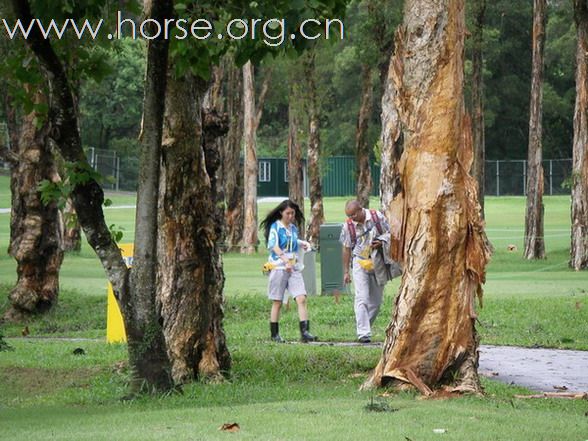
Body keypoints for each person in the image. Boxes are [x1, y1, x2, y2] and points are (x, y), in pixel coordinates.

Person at [260, 199, 318, 343]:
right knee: (278, 301)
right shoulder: (276, 227)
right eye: (288, 213)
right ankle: (275, 334)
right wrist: (285, 260)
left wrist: (302, 243)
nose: (291, 216)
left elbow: (293, 241)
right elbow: (274, 245)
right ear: (281, 213)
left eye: (293, 213)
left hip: (293, 267)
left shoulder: (292, 228)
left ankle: (305, 332)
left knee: (301, 298)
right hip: (279, 267)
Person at [340, 200, 391, 343]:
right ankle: (363, 333)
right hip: (359, 261)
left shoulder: (377, 217)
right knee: (362, 297)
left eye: (353, 215)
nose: (352, 218)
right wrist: (346, 272)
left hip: (377, 260)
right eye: (349, 216)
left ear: (361, 210)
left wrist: (382, 242)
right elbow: (346, 248)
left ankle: (365, 325)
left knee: (376, 301)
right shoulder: (348, 226)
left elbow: (391, 233)